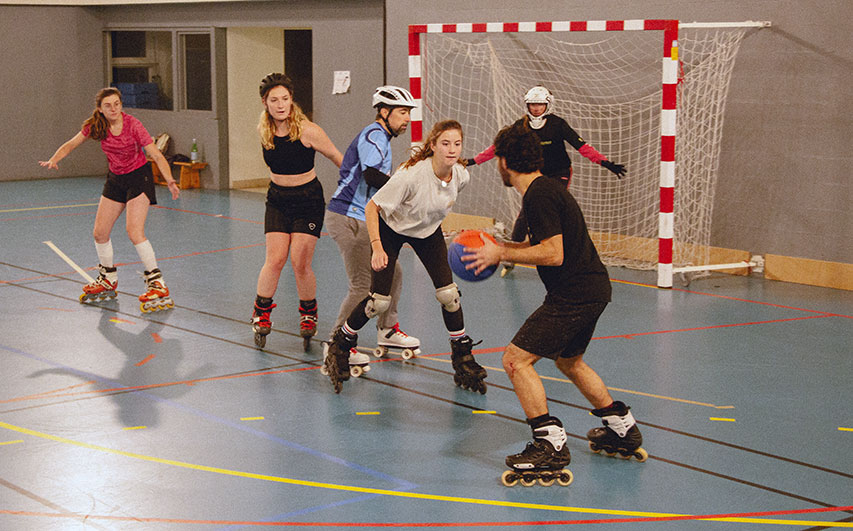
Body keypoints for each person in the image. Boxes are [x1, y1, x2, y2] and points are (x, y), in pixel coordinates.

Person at [462, 124, 646, 487]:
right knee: (569, 361)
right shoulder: (544, 189)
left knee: (515, 360)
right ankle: (621, 428)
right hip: (593, 288)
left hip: (574, 293)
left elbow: (553, 253)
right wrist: (503, 247)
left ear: (502, 161)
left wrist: (500, 252)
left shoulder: (539, 194)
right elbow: (540, 242)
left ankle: (549, 445)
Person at [323, 120, 487, 394]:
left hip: (427, 232)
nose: (451, 149)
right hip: (391, 229)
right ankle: (340, 344)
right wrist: (376, 246)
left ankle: (462, 355)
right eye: (445, 143)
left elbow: (434, 205)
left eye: (457, 144)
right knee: (379, 301)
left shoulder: (461, 176)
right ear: (433, 145)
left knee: (449, 295)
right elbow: (373, 207)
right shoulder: (411, 175)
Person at [39, 87, 180, 313]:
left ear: (121, 105)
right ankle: (107, 278)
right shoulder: (96, 126)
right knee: (100, 232)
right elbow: (71, 144)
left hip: (138, 177)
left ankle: (157, 283)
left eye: (116, 104)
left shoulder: (133, 125)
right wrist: (54, 159)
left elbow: (155, 153)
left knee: (134, 231)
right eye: (108, 105)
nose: (113, 109)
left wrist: (170, 180)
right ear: (100, 109)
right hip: (116, 179)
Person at [465, 85, 626, 276]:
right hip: (537, 174)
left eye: (540, 104)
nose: (536, 108)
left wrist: (606, 163)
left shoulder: (558, 125)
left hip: (560, 173)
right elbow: (497, 147)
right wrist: (473, 161)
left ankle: (561, 254)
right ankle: (511, 258)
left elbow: (581, 146)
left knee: (552, 209)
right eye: (532, 104)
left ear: (547, 105)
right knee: (526, 214)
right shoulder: (521, 125)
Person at [325, 86, 421, 373]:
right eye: (403, 113)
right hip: (348, 217)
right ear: (384, 111)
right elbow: (371, 175)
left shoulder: (382, 138)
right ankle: (335, 345)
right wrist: (406, 190)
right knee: (363, 285)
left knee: (394, 272)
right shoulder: (374, 135)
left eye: (408, 114)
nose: (407, 119)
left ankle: (387, 330)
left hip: (363, 217)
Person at [251, 73, 343, 349]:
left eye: (285, 99)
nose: (280, 105)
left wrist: (357, 188)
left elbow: (338, 158)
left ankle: (308, 313)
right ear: (265, 103)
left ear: (292, 101)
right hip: (278, 198)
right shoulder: (265, 131)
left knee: (300, 261)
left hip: (308, 200)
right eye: (274, 100)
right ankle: (261, 313)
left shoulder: (307, 130)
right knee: (275, 259)